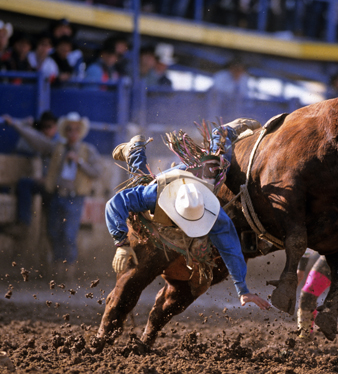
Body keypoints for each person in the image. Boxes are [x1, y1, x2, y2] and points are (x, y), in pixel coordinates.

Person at [105, 118, 270, 310]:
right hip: (170, 186)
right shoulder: (155, 195)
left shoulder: (216, 215)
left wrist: (243, 290)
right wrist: (121, 244)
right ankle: (135, 150)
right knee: (141, 194)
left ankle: (224, 130)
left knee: (220, 158)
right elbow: (115, 204)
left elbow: (231, 250)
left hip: (198, 181)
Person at [45, 112, 101, 266]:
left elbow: (97, 172)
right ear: (66, 131)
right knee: (54, 232)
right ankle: (58, 267)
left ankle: (68, 268)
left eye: (76, 129)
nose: (72, 133)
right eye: (69, 129)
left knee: (69, 234)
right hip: (58, 194)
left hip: (75, 197)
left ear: (80, 131)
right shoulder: (58, 149)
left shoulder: (87, 150)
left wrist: (79, 162)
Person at [1, 111, 62, 238]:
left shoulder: (56, 144)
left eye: (49, 127)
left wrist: (16, 124)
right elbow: (25, 144)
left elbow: (35, 140)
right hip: (53, 187)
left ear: (56, 127)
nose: (46, 130)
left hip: (59, 189)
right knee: (52, 229)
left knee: (55, 230)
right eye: (43, 127)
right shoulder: (53, 142)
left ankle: (24, 225)